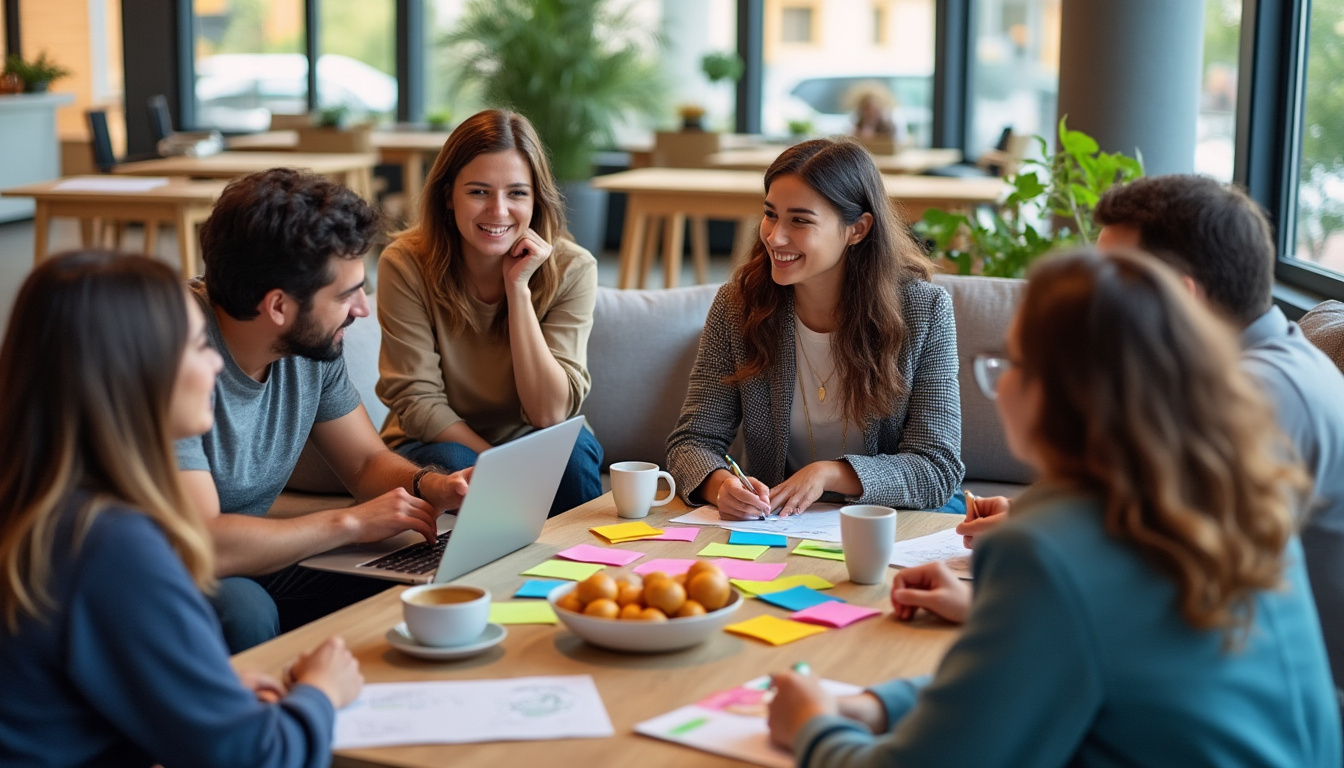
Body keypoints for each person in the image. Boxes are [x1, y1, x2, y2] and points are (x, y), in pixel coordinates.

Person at [767, 249, 1341, 767]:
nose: (1001, 385)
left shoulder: (1044, 550)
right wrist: (879, 704)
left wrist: (813, 727)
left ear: (1064, 393)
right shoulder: (1233, 495)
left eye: (1011, 364)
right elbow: (1033, 680)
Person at [959, 175, 1344, 716]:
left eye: (1112, 282)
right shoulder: (1255, 367)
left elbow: (1153, 582)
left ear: (1177, 295)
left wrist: (998, 602)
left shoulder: (1259, 397)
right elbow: (1158, 526)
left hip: (1267, 701)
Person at [0, 252, 363, 767]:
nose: (216, 364)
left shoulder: (43, 510)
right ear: (134, 371)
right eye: (197, 347)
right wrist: (323, 690)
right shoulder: (112, 544)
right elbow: (261, 758)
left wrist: (205, 686)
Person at [179, 168, 471, 653]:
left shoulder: (309, 348)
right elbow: (203, 543)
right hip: (179, 567)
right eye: (345, 294)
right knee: (242, 610)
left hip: (260, 557)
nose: (362, 309)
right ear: (277, 306)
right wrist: (349, 522)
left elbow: (364, 463)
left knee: (423, 569)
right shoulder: (177, 355)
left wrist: (432, 487)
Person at [666, 138, 963, 520]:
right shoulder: (738, 306)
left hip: (890, 521)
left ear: (857, 229)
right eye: (771, 214)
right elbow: (692, 442)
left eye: (800, 221)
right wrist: (722, 486)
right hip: (777, 526)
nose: (775, 237)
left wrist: (830, 473)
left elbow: (937, 469)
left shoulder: (924, 312)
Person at [376, 108, 602, 518]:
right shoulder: (405, 264)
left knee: (570, 452)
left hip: (537, 436)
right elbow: (419, 402)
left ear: (537, 198)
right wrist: (499, 464)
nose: (498, 212)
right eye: (479, 192)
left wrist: (518, 289)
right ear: (448, 195)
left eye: (517, 193)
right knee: (452, 463)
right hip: (436, 440)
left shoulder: (574, 268)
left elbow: (550, 414)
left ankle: (579, 578)